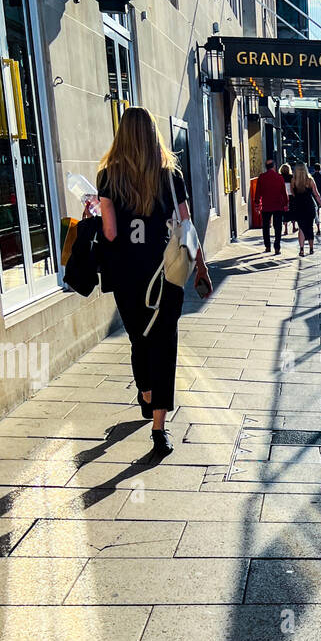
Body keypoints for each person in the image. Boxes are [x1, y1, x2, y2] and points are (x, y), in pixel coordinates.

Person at [97, 106, 211, 457]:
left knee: (139, 341)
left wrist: (96, 211)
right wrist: (202, 267)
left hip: (125, 277)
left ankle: (145, 391)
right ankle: (159, 431)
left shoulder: (108, 177)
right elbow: (186, 228)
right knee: (164, 347)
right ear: (152, 135)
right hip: (164, 276)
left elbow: (111, 233)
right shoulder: (169, 176)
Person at [290, 163, 321, 256]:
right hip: (309, 206)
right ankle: (311, 248)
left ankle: (301, 249)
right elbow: (316, 194)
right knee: (309, 226)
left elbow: (292, 194)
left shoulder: (293, 181)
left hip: (298, 206)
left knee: (301, 228)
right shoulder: (310, 180)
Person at [256, 158, 289, 254]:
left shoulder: (261, 177)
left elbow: (258, 192)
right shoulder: (279, 177)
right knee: (277, 227)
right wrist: (286, 203)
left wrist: (257, 203)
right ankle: (277, 247)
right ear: (274, 166)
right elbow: (284, 192)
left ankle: (267, 246)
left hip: (266, 206)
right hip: (278, 205)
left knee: (266, 226)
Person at [279, 163, 295, 235]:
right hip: (291, 196)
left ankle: (285, 229)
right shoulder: (291, 177)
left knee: (284, 213)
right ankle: (294, 227)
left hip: (283, 197)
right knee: (292, 211)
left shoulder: (279, 177)